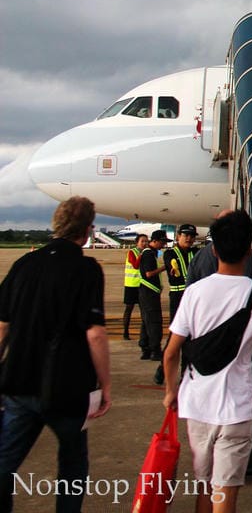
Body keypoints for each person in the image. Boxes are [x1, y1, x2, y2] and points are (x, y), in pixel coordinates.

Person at [163, 209, 252, 513]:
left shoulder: (194, 293)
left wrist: (170, 391)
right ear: (249, 251)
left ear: (213, 249)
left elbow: (171, 351)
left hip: (197, 406)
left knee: (203, 484)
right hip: (237, 408)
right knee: (225, 494)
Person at [0, 196, 112, 513]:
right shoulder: (86, 269)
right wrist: (105, 385)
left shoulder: (24, 263)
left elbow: (3, 327)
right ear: (88, 230)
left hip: (19, 382)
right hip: (67, 387)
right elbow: (95, 332)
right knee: (72, 465)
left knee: (5, 462)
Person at [139, 229, 169, 360]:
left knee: (147, 321)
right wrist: (165, 267)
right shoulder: (149, 254)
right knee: (154, 322)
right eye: (162, 242)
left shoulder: (151, 253)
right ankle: (155, 350)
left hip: (148, 292)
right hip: (149, 292)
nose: (164, 245)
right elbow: (149, 273)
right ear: (155, 241)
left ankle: (145, 349)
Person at [166, 224, 198, 322]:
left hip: (193, 295)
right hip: (177, 295)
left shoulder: (196, 252)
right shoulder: (170, 253)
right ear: (178, 236)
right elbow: (170, 263)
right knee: (177, 324)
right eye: (186, 235)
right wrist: (173, 267)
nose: (189, 238)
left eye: (192, 236)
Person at [123, 234, 146, 340]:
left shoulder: (146, 252)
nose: (144, 243)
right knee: (129, 308)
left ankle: (144, 332)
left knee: (143, 309)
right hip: (131, 284)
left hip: (141, 284)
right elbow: (135, 265)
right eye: (142, 241)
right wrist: (141, 255)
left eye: (146, 241)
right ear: (137, 242)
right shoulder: (132, 252)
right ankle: (125, 332)